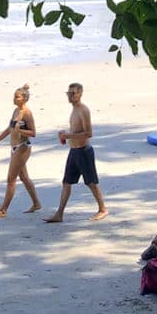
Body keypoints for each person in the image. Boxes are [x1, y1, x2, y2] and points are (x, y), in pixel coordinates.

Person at [44, 82, 109, 222]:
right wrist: (66, 134)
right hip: (73, 151)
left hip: (84, 151)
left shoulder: (83, 110)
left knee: (91, 182)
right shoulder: (73, 110)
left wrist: (68, 136)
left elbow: (88, 133)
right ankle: (59, 214)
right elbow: (76, 130)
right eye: (69, 93)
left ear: (80, 94)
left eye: (73, 93)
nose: (70, 96)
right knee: (66, 182)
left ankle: (102, 209)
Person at [0, 83, 41, 218]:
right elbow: (9, 129)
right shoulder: (16, 111)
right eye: (14, 96)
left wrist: (20, 130)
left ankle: (3, 210)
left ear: (24, 99)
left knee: (11, 179)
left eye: (17, 97)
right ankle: (36, 203)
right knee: (24, 177)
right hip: (14, 147)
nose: (14, 99)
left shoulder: (27, 113)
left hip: (23, 147)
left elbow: (33, 133)